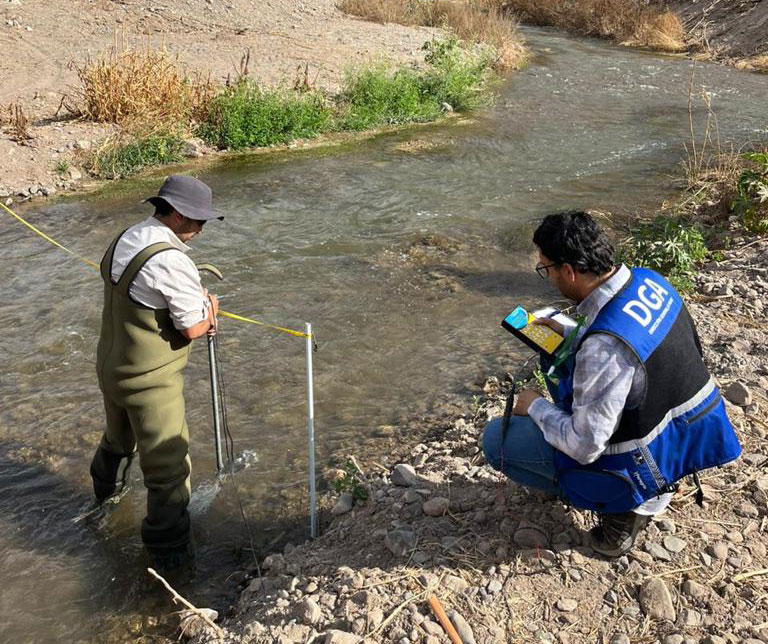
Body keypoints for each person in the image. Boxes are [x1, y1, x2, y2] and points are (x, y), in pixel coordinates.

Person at [483, 211, 741, 556]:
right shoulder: (650, 282)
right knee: (570, 374)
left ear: (570, 271)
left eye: (546, 269)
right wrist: (577, 333)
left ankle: (621, 509)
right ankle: (639, 491)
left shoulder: (603, 348)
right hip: (688, 438)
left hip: (646, 464)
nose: (548, 277)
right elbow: (641, 354)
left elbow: (583, 445)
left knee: (497, 440)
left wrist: (535, 405)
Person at [89, 175, 222, 563]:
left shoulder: (128, 236)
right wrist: (211, 306)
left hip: (111, 368)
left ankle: (103, 504)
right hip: (151, 383)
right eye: (199, 220)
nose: (201, 228)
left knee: (117, 440)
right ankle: (169, 560)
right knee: (169, 469)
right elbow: (194, 328)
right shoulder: (172, 260)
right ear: (178, 215)